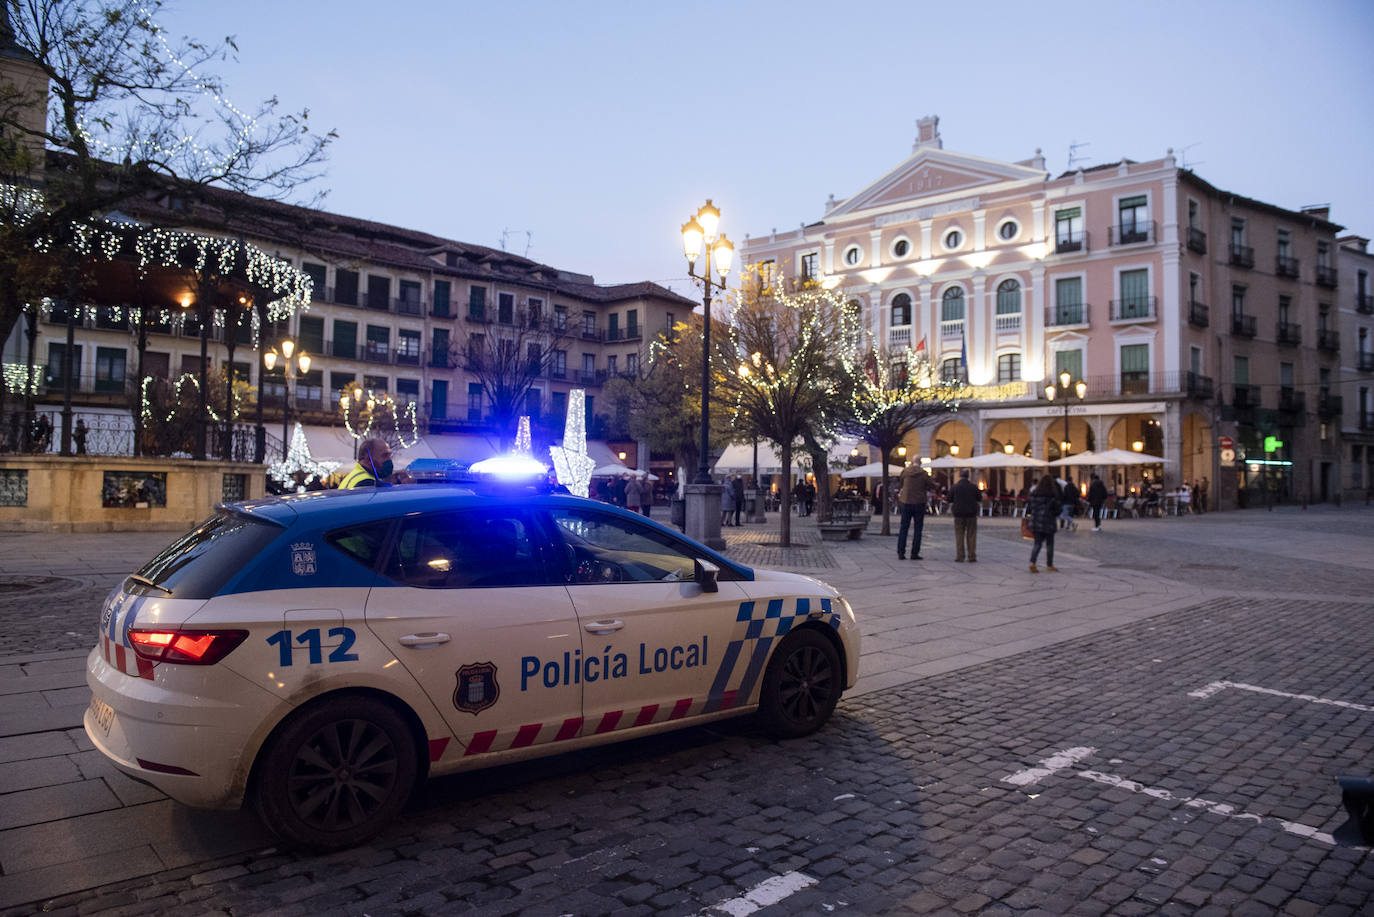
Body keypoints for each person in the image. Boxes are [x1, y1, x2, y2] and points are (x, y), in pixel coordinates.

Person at [896, 460, 933, 560]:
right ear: (920, 462)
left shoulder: (905, 472)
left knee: (904, 527)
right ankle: (914, 553)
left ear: (912, 462)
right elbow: (930, 485)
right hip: (919, 502)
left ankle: (901, 552)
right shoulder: (924, 473)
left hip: (906, 501)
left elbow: (900, 483)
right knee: (918, 529)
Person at [1027, 474, 1063, 573]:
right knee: (1050, 544)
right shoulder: (1052, 496)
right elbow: (1058, 510)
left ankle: (1032, 562)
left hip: (1035, 522)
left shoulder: (1034, 494)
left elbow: (1029, 509)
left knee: (1037, 544)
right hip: (1048, 522)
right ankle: (1049, 564)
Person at [948, 470, 982, 562]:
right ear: (968, 476)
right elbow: (979, 498)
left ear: (960, 476)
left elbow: (949, 499)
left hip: (958, 514)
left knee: (959, 535)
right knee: (971, 535)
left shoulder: (955, 487)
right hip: (971, 514)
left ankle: (960, 556)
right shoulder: (973, 487)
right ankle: (972, 556)